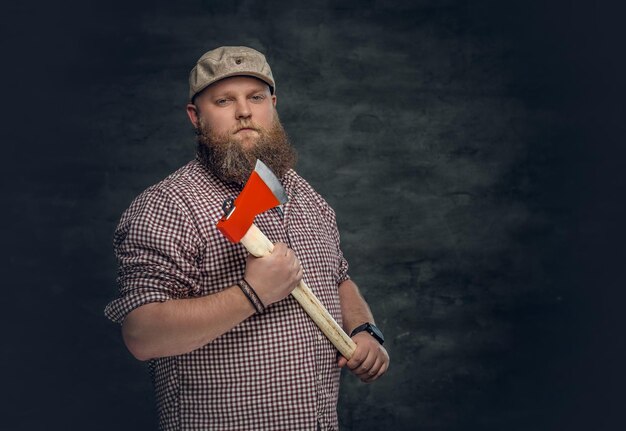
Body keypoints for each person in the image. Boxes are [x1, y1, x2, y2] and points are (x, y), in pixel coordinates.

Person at [105, 46, 389, 430]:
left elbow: (338, 279)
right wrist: (252, 293)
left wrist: (364, 330)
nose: (244, 112)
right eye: (224, 100)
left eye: (255, 98)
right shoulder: (168, 206)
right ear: (196, 116)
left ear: (273, 104)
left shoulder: (306, 197)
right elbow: (142, 334)